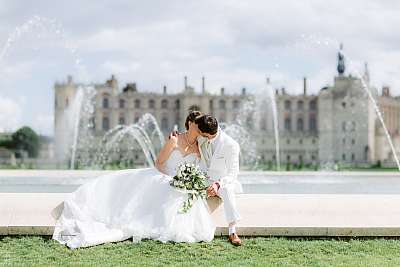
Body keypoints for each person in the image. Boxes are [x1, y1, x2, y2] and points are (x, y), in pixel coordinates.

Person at [52, 111, 216, 249]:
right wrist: (171, 179)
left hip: (185, 184)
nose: (198, 126)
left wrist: (190, 182)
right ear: (189, 123)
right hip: (166, 177)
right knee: (165, 193)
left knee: (188, 203)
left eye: (199, 124)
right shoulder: (174, 140)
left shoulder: (201, 145)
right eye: (195, 122)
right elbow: (159, 163)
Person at [195, 114, 243, 246]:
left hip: (223, 182)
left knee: (227, 190)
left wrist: (217, 184)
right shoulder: (201, 139)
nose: (197, 132)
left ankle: (232, 231)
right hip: (205, 180)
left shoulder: (231, 145)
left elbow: (233, 173)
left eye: (199, 130)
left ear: (206, 133)